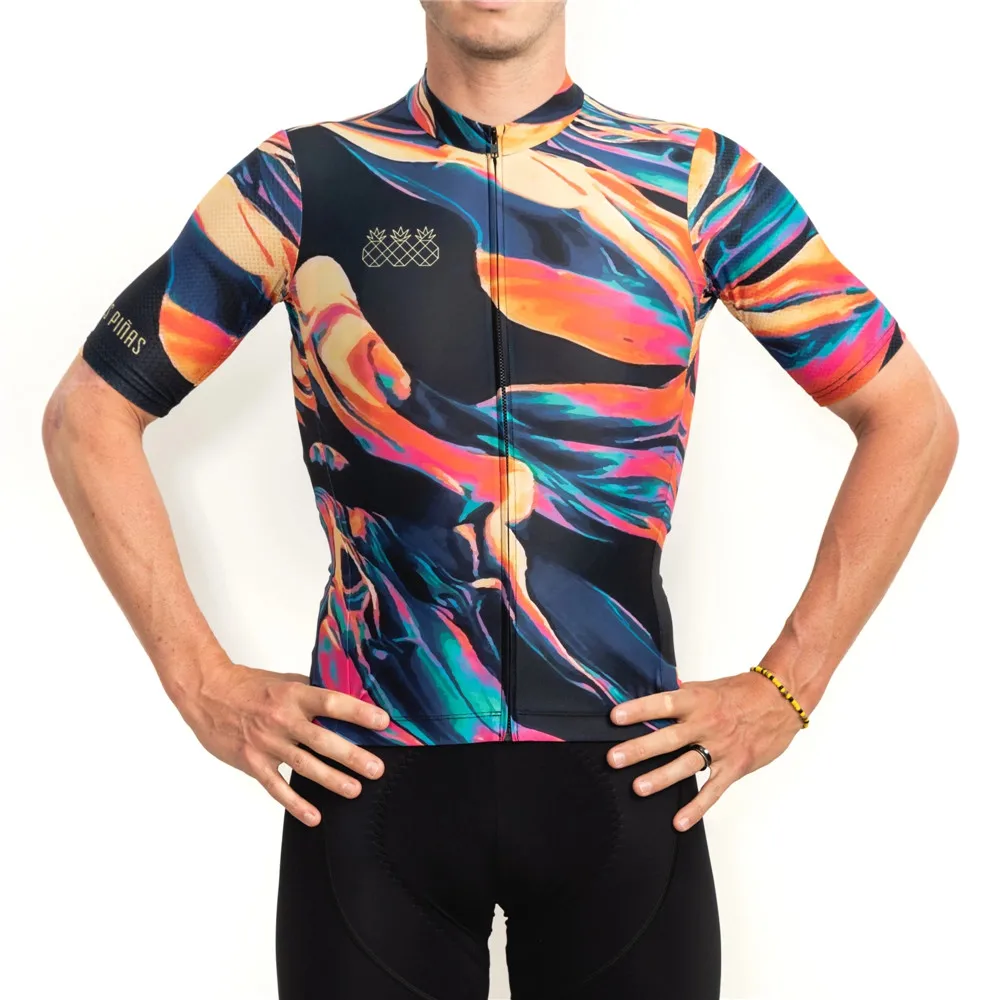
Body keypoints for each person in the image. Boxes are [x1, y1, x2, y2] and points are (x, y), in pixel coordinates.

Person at [42, 1, 957, 997]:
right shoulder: (301, 181)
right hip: (372, 781)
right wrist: (199, 681)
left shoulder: (695, 183)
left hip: (623, 777)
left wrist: (788, 686)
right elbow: (89, 415)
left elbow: (910, 420)